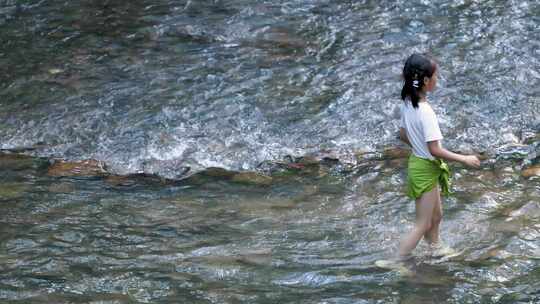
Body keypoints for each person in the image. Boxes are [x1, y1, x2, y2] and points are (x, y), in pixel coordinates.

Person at [397, 53, 480, 260]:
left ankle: (435, 248)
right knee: (422, 223)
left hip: (422, 164)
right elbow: (434, 149)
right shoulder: (426, 111)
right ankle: (396, 261)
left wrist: (417, 144)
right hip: (425, 167)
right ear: (425, 80)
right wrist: (464, 158)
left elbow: (402, 134)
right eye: (436, 77)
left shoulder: (408, 103)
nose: (438, 81)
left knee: (436, 216)